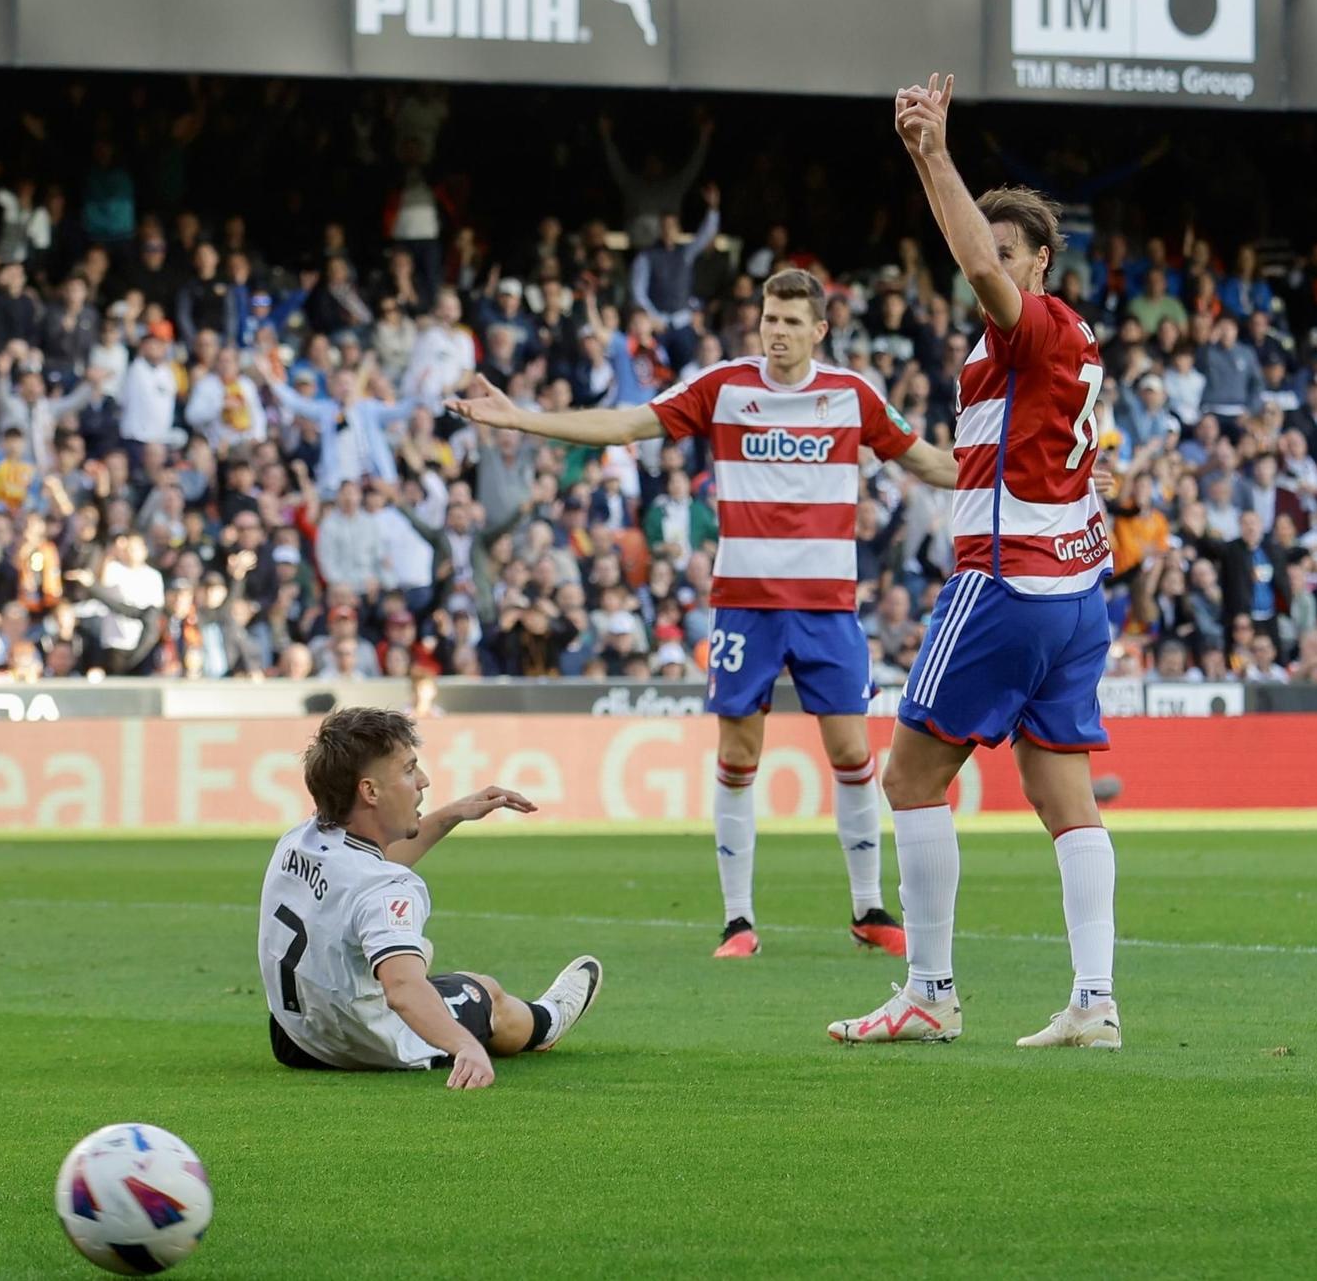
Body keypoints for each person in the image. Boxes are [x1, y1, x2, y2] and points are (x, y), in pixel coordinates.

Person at [450, 269, 958, 959]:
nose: (775, 330)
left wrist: (1039, 476)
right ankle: (738, 920)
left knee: (850, 752)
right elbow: (627, 424)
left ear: (819, 330)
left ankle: (869, 907)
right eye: (767, 317)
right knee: (738, 755)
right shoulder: (723, 386)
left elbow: (932, 463)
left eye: (789, 321)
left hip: (827, 606)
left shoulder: (852, 396)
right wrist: (522, 419)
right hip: (745, 606)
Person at [827, 74, 1119, 1050]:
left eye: (1005, 252)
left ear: (1039, 262)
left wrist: (929, 153)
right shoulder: (1063, 346)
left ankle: (930, 990)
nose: (984, 264)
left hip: (1006, 581)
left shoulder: (1028, 324)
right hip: (1075, 593)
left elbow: (980, 272)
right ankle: (1094, 999)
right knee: (1061, 797)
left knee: (907, 779)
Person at [258, 707, 601, 1088]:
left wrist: (453, 814)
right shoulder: (388, 888)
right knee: (480, 988)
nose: (423, 781)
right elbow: (402, 990)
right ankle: (545, 1021)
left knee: (403, 948)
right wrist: (464, 1046)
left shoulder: (298, 841)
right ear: (370, 790)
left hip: (295, 1037)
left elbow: (360, 872)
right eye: (408, 769)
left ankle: (398, 959)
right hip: (367, 1043)